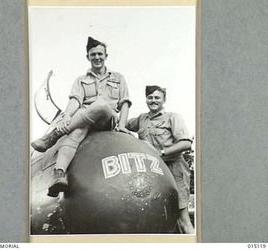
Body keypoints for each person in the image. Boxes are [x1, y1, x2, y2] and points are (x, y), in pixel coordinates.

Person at [31, 37, 131, 197]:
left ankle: (53, 136)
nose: (97, 57)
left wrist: (123, 125)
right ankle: (59, 175)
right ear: (88, 57)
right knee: (75, 133)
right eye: (93, 55)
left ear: (106, 56)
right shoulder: (81, 80)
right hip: (86, 120)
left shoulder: (118, 78)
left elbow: (125, 102)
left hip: (108, 118)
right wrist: (67, 117)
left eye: (100, 54)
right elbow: (75, 100)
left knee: (100, 105)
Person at [126, 85, 194, 234]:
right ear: (146, 100)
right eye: (150, 97)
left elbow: (186, 143)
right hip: (154, 172)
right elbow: (122, 124)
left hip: (174, 169)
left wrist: (161, 152)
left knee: (182, 218)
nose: (153, 100)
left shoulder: (173, 117)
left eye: (157, 97)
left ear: (164, 100)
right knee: (159, 215)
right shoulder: (142, 119)